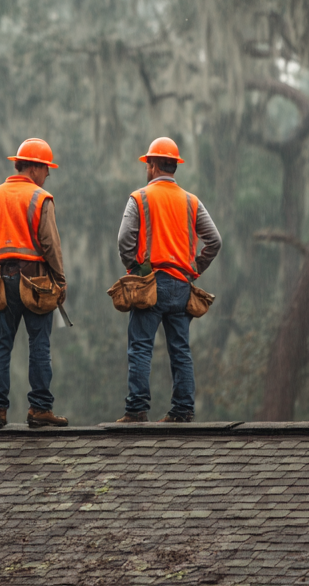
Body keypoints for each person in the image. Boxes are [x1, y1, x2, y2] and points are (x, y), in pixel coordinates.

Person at [115, 137, 222, 423]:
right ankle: (183, 410)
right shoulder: (191, 201)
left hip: (151, 284)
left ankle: (137, 409)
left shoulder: (139, 198)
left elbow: (125, 240)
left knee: (140, 346)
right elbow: (214, 240)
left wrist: (137, 270)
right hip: (181, 287)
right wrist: (193, 269)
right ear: (174, 166)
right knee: (180, 349)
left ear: (151, 166)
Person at [0, 138, 69, 429]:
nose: (47, 176)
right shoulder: (41, 198)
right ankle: (40, 409)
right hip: (36, 281)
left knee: (0, 343)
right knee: (39, 343)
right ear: (35, 168)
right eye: (46, 170)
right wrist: (60, 280)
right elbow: (50, 244)